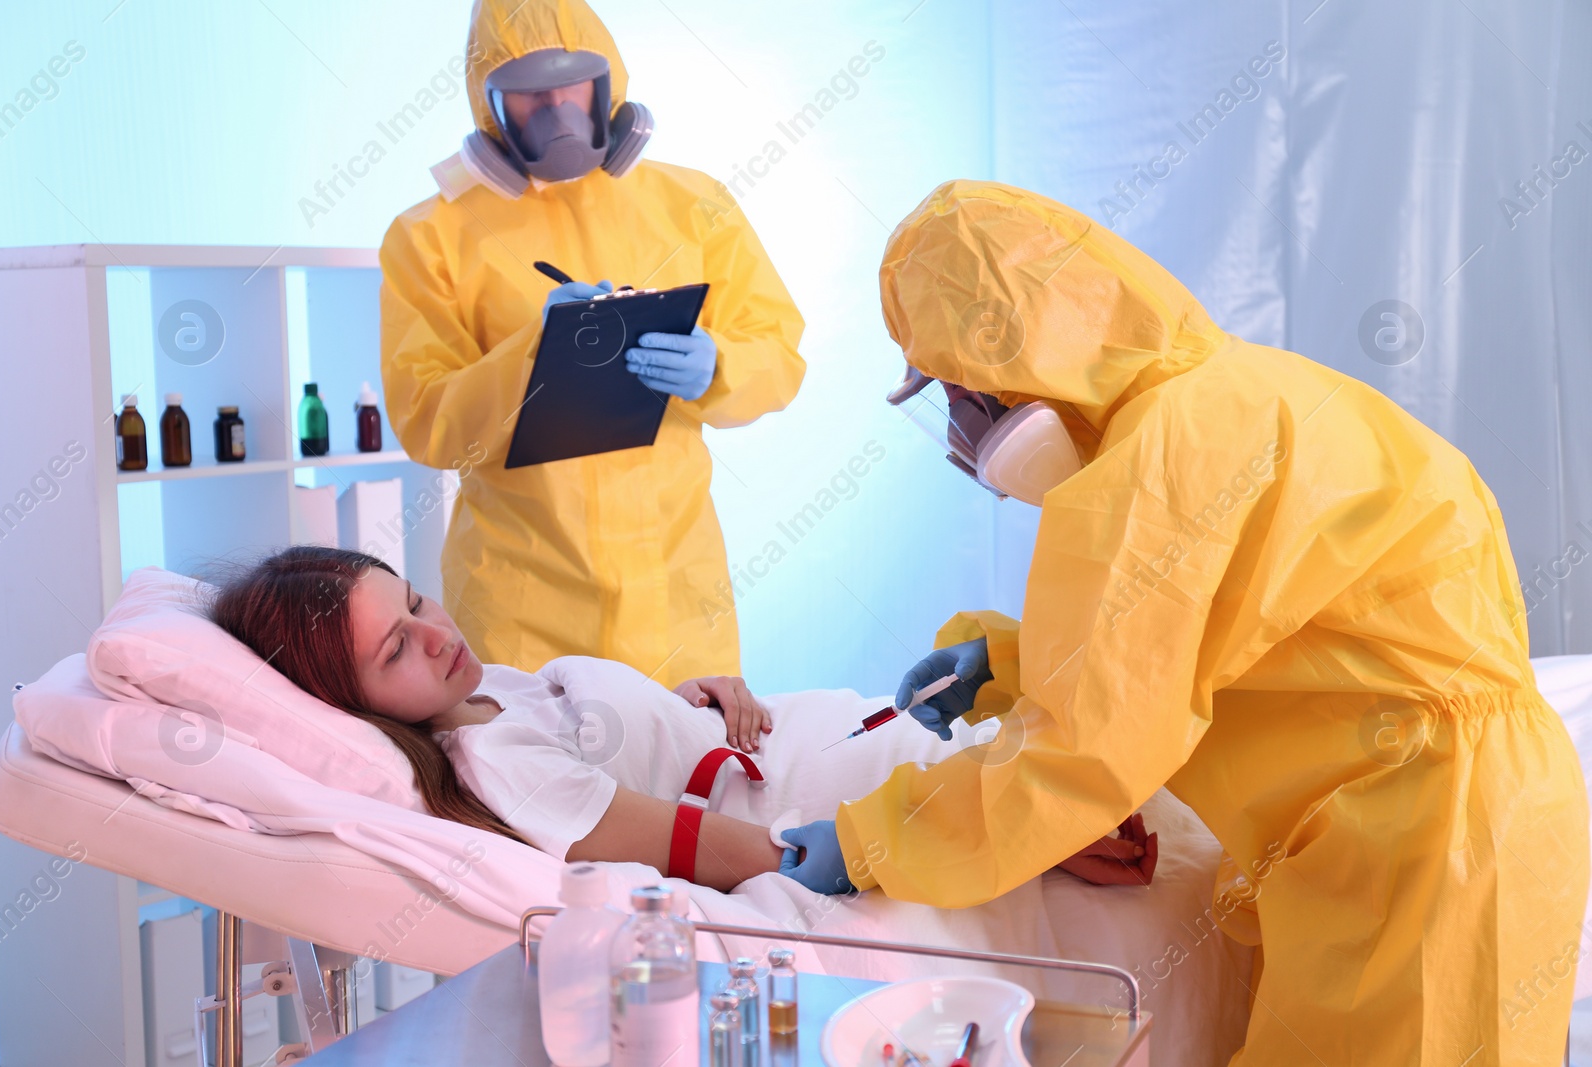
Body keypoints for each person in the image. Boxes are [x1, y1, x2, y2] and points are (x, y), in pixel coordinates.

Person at [778, 179, 1590, 1065]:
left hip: (1435, 854)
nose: (958, 429)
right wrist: (1007, 660)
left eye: (955, 392)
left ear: (1006, 365)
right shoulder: (1229, 395)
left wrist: (871, 841)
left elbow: (1087, 750)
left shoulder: (1162, 454)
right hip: (1421, 827)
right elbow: (1234, 638)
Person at [208, 545, 1157, 894]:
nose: (433, 634)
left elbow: (626, 735)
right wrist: (936, 843)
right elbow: (694, 843)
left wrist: (696, 699)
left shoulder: (485, 682)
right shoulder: (497, 767)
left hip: (809, 734)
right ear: (353, 703)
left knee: (1092, 752)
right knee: (1081, 792)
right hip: (824, 793)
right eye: (393, 651)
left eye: (414, 600)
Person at [379, 0, 806, 688]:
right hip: (524, 611)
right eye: (529, 92)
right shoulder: (431, 235)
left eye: (571, 84)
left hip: (676, 592)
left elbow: (780, 352)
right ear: (489, 105)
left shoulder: (694, 203)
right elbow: (428, 423)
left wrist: (720, 365)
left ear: (608, 84)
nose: (556, 108)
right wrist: (532, 355)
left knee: (693, 785)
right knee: (538, 788)